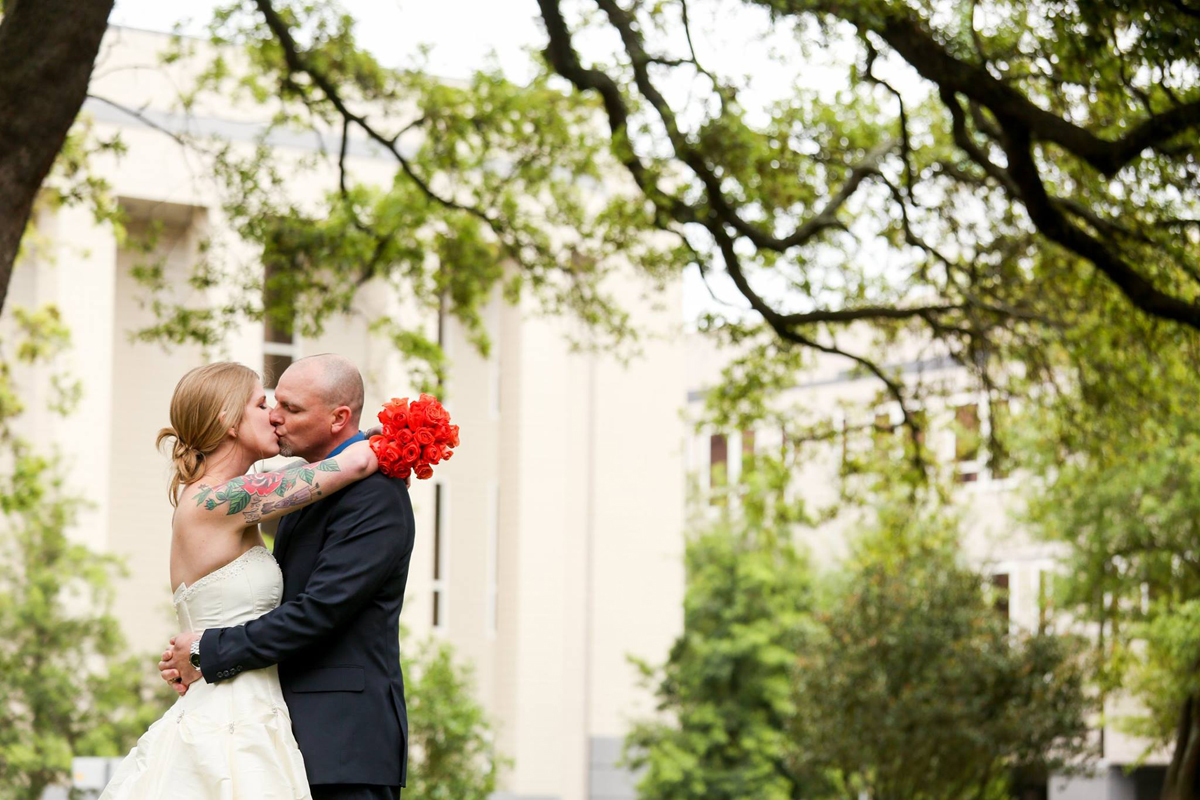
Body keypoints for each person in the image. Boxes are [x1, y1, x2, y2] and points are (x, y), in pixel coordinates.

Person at [111, 356, 414, 800]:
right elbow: (352, 464)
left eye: (287, 408)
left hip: (325, 732)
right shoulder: (230, 499)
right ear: (228, 422)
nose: (274, 415)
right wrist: (387, 443)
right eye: (264, 404)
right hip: (244, 716)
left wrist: (203, 649)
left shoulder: (284, 494)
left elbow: (320, 607)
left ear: (337, 417)